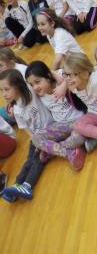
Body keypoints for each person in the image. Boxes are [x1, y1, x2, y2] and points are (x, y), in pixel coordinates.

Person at [0, 69, 52, 202]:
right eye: (1, 90)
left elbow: (41, 75)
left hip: (50, 130)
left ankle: (27, 186)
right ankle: (17, 185)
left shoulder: (30, 91)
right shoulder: (16, 109)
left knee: (38, 158)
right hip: (36, 136)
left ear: (17, 86)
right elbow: (25, 128)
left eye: (6, 89)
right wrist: (34, 139)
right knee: (29, 159)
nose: (3, 94)